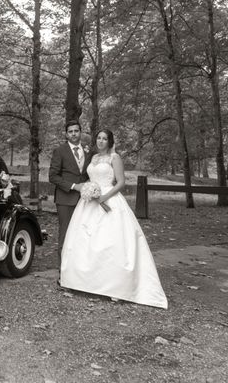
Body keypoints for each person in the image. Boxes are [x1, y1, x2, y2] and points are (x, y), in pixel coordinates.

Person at [60, 129, 168, 309]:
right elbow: (88, 177)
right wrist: (89, 190)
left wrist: (104, 197)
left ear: (110, 142)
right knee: (84, 241)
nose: (101, 141)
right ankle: (79, 282)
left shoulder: (114, 158)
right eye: (99, 138)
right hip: (88, 203)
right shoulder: (92, 158)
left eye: (105, 139)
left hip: (110, 200)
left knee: (110, 242)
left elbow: (121, 182)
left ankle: (116, 288)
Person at [49, 121, 91, 270]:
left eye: (76, 131)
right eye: (70, 131)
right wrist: (74, 186)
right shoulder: (60, 151)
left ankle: (79, 269)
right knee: (65, 234)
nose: (74, 134)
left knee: (84, 234)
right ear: (66, 134)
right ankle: (63, 271)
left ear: (81, 132)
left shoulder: (88, 151)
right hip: (65, 199)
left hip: (85, 200)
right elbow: (53, 176)